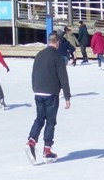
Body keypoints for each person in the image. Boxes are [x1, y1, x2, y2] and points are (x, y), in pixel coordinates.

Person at [26, 32, 71, 164]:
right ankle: (47, 150)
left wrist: (35, 88)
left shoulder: (39, 54)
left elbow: (33, 74)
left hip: (38, 92)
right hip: (51, 92)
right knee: (51, 121)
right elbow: (63, 78)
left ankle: (31, 141)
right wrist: (67, 97)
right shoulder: (58, 57)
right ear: (57, 43)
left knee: (40, 118)